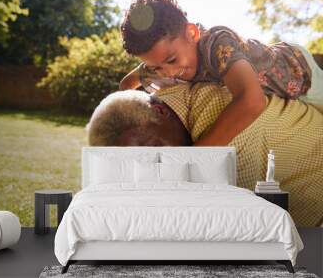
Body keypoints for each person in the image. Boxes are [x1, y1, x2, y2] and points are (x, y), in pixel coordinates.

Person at [86, 82, 323, 227]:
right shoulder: (179, 96)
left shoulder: (221, 117)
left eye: (156, 148)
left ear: (159, 111)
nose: (159, 169)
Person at [119, 0, 323, 146]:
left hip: (301, 71)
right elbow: (127, 84)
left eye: (172, 60)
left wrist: (197, 154)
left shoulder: (218, 43)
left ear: (192, 32)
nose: (169, 73)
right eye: (155, 67)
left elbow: (251, 101)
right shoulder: (164, 61)